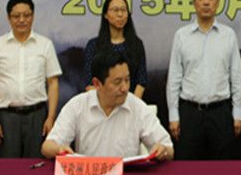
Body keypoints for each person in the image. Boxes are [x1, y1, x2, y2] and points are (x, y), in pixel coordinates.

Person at [166, 0, 241, 160]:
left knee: (223, 169)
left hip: (221, 112)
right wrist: (173, 115)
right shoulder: (182, 36)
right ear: (194, 2)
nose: (206, 2)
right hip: (189, 113)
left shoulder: (228, 35)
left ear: (218, 2)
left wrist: (237, 112)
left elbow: (237, 76)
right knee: (187, 169)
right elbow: (174, 78)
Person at [43, 51, 173, 160]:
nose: (125, 88)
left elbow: (169, 149)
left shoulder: (137, 107)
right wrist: (58, 149)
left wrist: (163, 150)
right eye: (117, 82)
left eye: (127, 80)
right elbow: (47, 147)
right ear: (97, 84)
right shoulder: (78, 105)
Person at [0, 0, 61, 158]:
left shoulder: (45, 44)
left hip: (37, 115)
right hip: (7, 116)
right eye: (16, 16)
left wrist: (50, 117)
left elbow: (53, 82)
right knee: (9, 166)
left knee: (36, 164)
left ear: (33, 16)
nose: (22, 20)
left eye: (26, 15)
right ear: (8, 17)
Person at [82, 0, 148, 98]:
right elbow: (89, 83)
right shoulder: (93, 45)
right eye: (115, 10)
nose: (120, 14)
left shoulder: (136, 44)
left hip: (130, 103)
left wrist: (131, 104)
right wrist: (105, 103)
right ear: (105, 15)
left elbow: (141, 81)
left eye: (123, 10)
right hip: (101, 103)